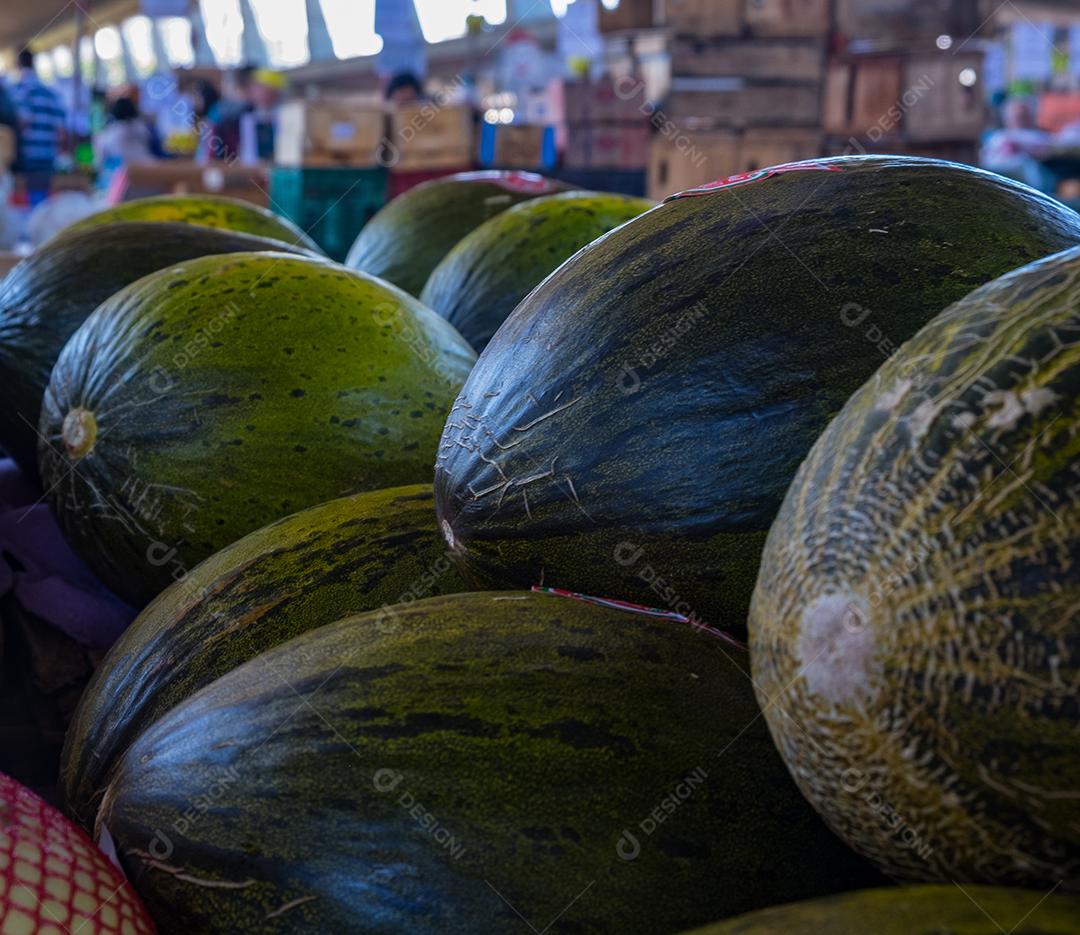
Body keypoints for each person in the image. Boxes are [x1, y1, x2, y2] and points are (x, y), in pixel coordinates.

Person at [7, 49, 66, 205]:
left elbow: (22, 122)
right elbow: (61, 131)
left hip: (28, 161)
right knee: (44, 204)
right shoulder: (51, 93)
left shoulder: (18, 91)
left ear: (18, 65)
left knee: (27, 208)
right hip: (48, 158)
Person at [981, 98, 1053, 190]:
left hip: (1023, 172)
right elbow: (985, 156)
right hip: (996, 170)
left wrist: (1022, 149)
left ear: (1029, 116)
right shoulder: (998, 136)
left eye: (1021, 116)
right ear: (1006, 118)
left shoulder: (1037, 136)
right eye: (1014, 116)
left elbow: (1046, 154)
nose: (1017, 119)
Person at [93, 96, 152, 167]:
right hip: (147, 167)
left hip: (121, 171)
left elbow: (99, 159)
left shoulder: (109, 133)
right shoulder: (142, 128)